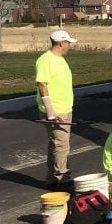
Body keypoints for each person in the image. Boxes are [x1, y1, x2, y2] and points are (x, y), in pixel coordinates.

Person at [36, 29, 77, 188]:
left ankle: (52, 179)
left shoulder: (59, 59)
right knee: (61, 144)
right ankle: (62, 179)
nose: (69, 46)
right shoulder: (46, 60)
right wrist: (50, 112)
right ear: (61, 43)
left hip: (64, 109)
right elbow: (42, 84)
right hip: (56, 111)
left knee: (55, 143)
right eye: (68, 43)